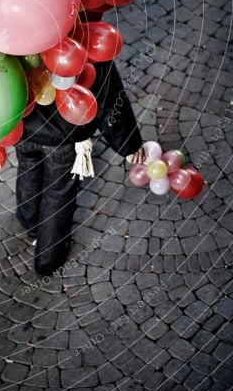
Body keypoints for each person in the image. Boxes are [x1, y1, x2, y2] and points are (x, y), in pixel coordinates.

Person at [16, 59, 144, 275]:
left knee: (28, 167)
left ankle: (28, 220)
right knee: (58, 192)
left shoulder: (12, 34)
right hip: (63, 137)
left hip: (23, 126)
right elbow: (110, 100)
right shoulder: (86, 44)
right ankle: (48, 259)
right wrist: (129, 145)